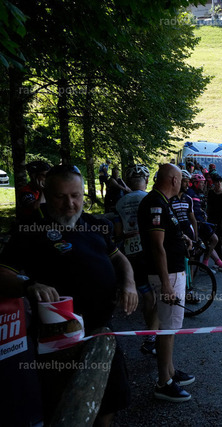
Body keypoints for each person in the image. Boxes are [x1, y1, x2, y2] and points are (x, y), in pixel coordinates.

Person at [0, 164, 138, 424]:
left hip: (101, 331)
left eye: (76, 196)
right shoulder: (30, 229)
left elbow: (119, 258)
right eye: (60, 197)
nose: (70, 204)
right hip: (57, 340)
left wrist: (129, 283)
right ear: (46, 193)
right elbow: (3, 274)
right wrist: (29, 285)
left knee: (109, 400)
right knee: (65, 409)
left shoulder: (95, 224)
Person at [138, 164, 195, 402]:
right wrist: (166, 284)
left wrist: (182, 239)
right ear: (173, 180)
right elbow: (156, 246)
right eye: (180, 179)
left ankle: (170, 371)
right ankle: (164, 381)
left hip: (172, 272)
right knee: (168, 329)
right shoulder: (156, 203)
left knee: (168, 326)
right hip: (168, 275)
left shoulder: (162, 201)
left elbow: (167, 235)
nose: (182, 183)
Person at [114, 164, 158, 355]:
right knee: (159, 297)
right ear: (146, 180)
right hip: (150, 253)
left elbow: (118, 233)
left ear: (128, 182)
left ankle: (150, 335)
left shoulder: (120, 202)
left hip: (131, 255)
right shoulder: (149, 199)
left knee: (147, 296)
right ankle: (152, 337)